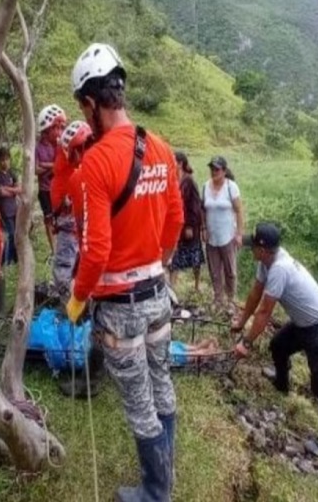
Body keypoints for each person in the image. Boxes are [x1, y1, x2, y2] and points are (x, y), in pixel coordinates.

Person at [65, 43, 184, 501]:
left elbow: (96, 252)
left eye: (83, 106)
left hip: (120, 306)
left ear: (92, 104)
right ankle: (165, 481)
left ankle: (156, 494)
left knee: (139, 402)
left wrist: (76, 299)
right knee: (162, 385)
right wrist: (159, 260)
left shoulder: (96, 162)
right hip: (157, 293)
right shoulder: (160, 147)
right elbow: (173, 221)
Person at [231, 222, 318, 456]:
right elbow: (254, 294)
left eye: (254, 246)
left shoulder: (280, 268)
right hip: (304, 324)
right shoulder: (266, 262)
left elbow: (265, 312)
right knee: (278, 346)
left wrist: (246, 342)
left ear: (263, 249)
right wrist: (241, 321)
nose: (251, 249)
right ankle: (281, 383)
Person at [49, 120, 93, 297]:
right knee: (74, 263)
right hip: (69, 217)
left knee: (65, 267)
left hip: (72, 219)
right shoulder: (76, 167)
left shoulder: (84, 172)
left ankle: (69, 302)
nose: (74, 161)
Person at [202, 155, 244, 315]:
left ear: (224, 171)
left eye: (217, 169)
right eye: (212, 169)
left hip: (228, 236)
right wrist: (203, 229)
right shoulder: (205, 186)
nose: (214, 172)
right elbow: (203, 210)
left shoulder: (231, 187)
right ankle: (218, 299)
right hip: (212, 237)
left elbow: (239, 210)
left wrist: (239, 234)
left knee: (230, 271)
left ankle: (231, 300)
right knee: (214, 270)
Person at [169, 152, 204, 292]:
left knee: (194, 254)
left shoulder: (188, 180)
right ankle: (172, 287)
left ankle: (196, 285)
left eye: (174, 162)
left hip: (189, 225)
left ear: (180, 163)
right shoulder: (174, 179)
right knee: (175, 257)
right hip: (178, 225)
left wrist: (190, 225)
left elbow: (195, 204)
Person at [36, 104, 67, 255]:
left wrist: (47, 165)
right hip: (45, 190)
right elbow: (36, 169)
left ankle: (62, 247)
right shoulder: (37, 148)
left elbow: (62, 166)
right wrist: (53, 166)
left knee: (62, 219)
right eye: (56, 128)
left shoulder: (60, 146)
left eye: (61, 128)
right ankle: (53, 250)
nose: (59, 132)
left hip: (59, 189)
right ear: (47, 129)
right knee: (48, 220)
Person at [0, 147, 20, 266]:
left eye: (7, 159)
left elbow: (19, 189)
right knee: (9, 234)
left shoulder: (12, 173)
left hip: (14, 208)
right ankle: (6, 261)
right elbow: (1, 193)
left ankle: (14, 258)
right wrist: (12, 191)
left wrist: (7, 188)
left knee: (16, 234)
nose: (5, 162)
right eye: (2, 160)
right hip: (5, 210)